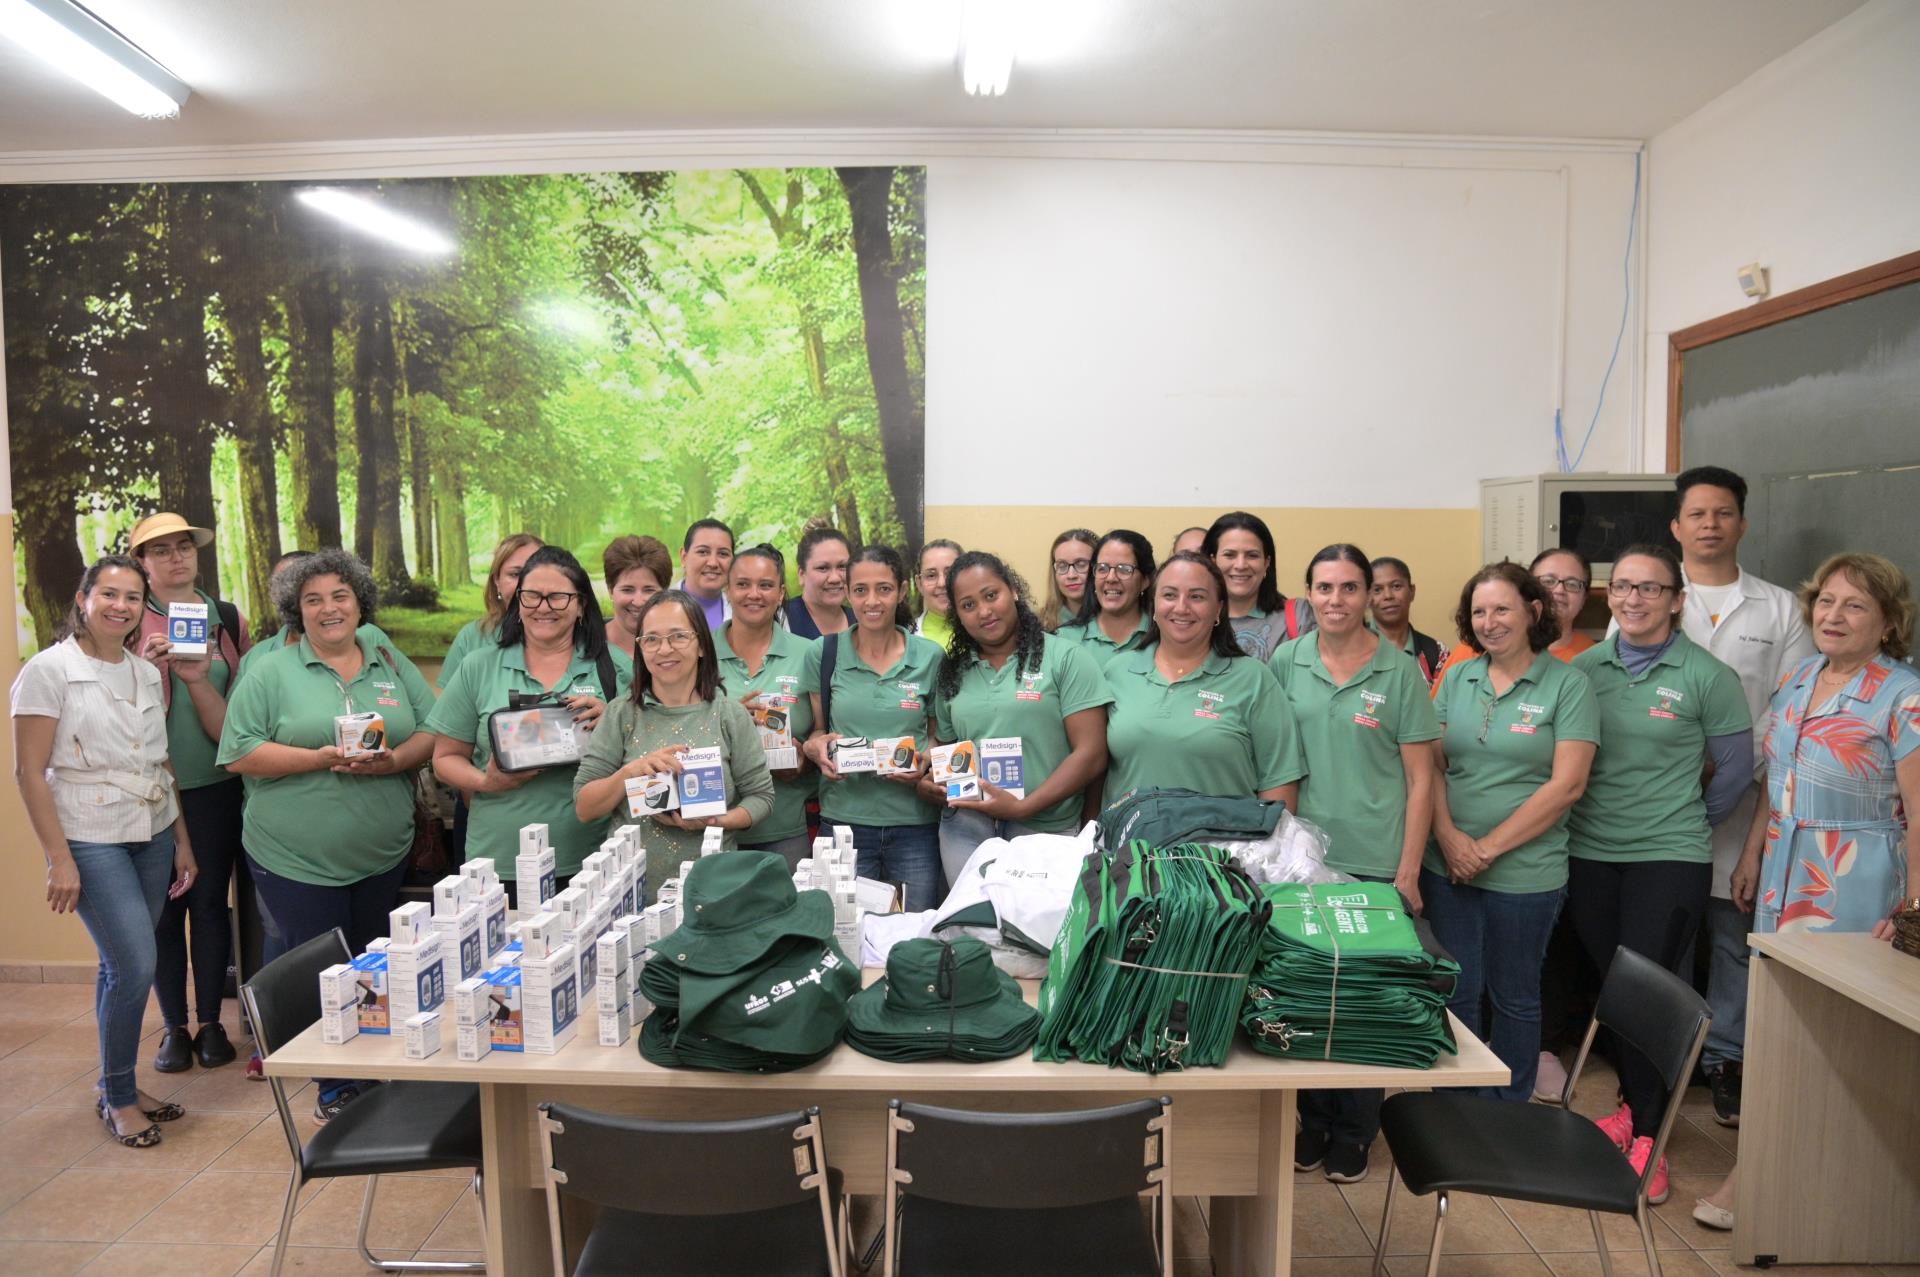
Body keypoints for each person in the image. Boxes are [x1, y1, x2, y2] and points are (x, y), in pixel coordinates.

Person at [1700, 554, 1920, 1233]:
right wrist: (1755, 850)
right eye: (1826, 601)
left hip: (1855, 878)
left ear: (1887, 620)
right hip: (1785, 871)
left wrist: (1914, 910)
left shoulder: (1904, 694)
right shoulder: (1800, 677)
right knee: (1780, 1025)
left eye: (1854, 605)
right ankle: (1779, 1167)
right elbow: (1778, 775)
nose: (1833, 615)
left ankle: (1772, 1177)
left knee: (1834, 1034)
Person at [216, 549, 436, 1123]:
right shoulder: (269, 670)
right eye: (312, 600)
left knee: (370, 964)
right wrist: (318, 758)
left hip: (381, 852)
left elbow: (434, 728)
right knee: (323, 969)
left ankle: (371, 1068)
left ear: (360, 602)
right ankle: (336, 1083)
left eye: (340, 595)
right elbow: (239, 752)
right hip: (294, 856)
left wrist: (393, 763)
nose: (328, 608)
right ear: (297, 611)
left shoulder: (386, 656)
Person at [1566, 543, 1752, 1203]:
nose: (1633, 599)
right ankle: (1631, 1105)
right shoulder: (1584, 668)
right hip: (1590, 852)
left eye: (1649, 588)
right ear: (1608, 595)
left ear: (1676, 599)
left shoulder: (1707, 675)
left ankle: (1651, 1133)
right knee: (1615, 988)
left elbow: (1734, 769)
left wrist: (1692, 819)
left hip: (1667, 857)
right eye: (1622, 587)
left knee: (1650, 990)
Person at [12, 555, 198, 1148]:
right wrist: (58, 858)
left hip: (150, 829)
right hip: (89, 837)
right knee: (135, 964)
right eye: (110, 594)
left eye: (134, 598)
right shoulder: (48, 671)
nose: (121, 606)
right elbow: (28, 772)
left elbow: (160, 762)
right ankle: (118, 1099)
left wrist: (182, 842)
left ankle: (116, 1082)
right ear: (83, 598)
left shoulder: (145, 672)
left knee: (121, 966)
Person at [1272, 545, 1440, 1185]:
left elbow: (1421, 780)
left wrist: (1408, 871)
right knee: (1310, 995)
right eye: (1324, 588)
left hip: (1374, 860)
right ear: (1307, 595)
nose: (1335, 600)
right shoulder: (1287, 659)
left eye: (1348, 588)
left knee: (1362, 1000)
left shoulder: (1400, 673)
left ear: (1369, 595)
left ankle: (1355, 1129)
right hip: (1302, 858)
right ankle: (1311, 1121)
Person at [1663, 465, 1813, 1129]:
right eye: (1697, 514)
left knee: (1732, 930)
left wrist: (1728, 763)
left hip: (1747, 795)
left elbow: (1790, 704)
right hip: (1660, 796)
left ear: (1742, 523)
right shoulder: (1654, 592)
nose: (1710, 524)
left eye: (1723, 513)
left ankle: (1725, 1057)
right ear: (1677, 526)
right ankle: (1664, 1052)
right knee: (1665, 930)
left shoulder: (1781, 608)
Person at [1425, 562, 1598, 1105]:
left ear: (1533, 611)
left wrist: (1485, 849)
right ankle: (1457, 1105)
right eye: (1479, 611)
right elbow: (1429, 765)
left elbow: (1567, 785)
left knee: (1516, 998)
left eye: (1502, 608)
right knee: (1458, 991)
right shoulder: (1457, 676)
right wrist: (1450, 838)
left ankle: (1506, 1111)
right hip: (1447, 864)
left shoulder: (1568, 684)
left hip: (1525, 872)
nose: (1489, 621)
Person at [430, 547, 631, 900]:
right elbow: (444, 759)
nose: (543, 607)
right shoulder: (479, 666)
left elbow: (647, 750)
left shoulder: (614, 667)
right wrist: (487, 782)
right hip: (498, 860)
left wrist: (614, 721)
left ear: (581, 604)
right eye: (532, 596)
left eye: (558, 597)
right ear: (517, 603)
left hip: (594, 856)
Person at [128, 512, 247, 1075]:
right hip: (149, 795)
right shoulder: (126, 622)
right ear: (143, 564)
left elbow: (246, 703)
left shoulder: (224, 617)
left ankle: (211, 1023)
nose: (176, 558)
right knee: (164, 911)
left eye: (184, 548)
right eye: (161, 551)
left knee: (209, 906)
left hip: (217, 788)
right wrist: (141, 672)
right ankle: (173, 1026)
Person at [924, 551, 1112, 886]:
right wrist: (931, 779)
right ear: (958, 616)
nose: (984, 611)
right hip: (966, 829)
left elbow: (1092, 754)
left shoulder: (1065, 658)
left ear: (1013, 590)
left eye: (991, 595)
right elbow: (946, 745)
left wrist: (1024, 808)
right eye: (968, 605)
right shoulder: (953, 672)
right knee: (974, 929)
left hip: (1044, 827)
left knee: (1034, 932)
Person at [574, 589, 775, 896]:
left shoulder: (729, 715)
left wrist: (716, 821)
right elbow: (584, 808)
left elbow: (761, 797)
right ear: (640, 649)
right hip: (629, 893)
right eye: (651, 639)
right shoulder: (620, 713)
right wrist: (631, 772)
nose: (664, 649)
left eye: (678, 636)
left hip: (713, 891)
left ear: (701, 646)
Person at [800, 546, 946, 910]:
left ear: (901, 591)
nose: (872, 601)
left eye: (883, 589)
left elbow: (939, 737)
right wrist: (814, 749)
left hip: (915, 825)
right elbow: (817, 732)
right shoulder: (824, 653)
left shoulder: (929, 657)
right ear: (848, 593)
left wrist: (925, 761)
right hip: (844, 823)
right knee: (847, 935)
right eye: (861, 590)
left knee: (911, 936)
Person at [1100, 551, 1304, 808]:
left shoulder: (1254, 679)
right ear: (1153, 605)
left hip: (1224, 846)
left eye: (1196, 597)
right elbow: (1095, 771)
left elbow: (1279, 781)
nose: (1181, 607)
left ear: (1218, 608)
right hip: (1131, 846)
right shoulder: (1116, 672)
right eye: (1169, 595)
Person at [715, 544, 817, 867]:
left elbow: (823, 730)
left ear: (781, 592)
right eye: (742, 584)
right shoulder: (698, 653)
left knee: (786, 914)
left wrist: (804, 758)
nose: (753, 594)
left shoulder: (809, 653)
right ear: (727, 591)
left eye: (766, 585)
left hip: (785, 825)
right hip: (713, 824)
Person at [1435, 548, 1594, 692]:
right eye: (1547, 581)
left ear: (1585, 597)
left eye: (1573, 584)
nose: (1559, 590)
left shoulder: (1591, 657)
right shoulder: (1471, 650)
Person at [1204, 511, 1314, 661]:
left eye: (1252, 555)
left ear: (1266, 563)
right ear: (1213, 560)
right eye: (1230, 555)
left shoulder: (1299, 615)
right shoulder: (1193, 618)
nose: (1241, 565)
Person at [439, 532, 543, 690]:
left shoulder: (577, 640)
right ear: (497, 581)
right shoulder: (471, 638)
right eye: (515, 574)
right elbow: (448, 712)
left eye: (535, 573)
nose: (525, 585)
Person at [1057, 529, 1155, 659]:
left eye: (1124, 569)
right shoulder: (1063, 639)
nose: (1111, 578)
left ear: (1145, 580)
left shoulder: (1163, 637)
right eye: (1102, 568)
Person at [1368, 556, 1446, 687]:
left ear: (1412, 591)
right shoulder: (1349, 648)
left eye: (1396, 586)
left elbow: (1442, 705)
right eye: (1377, 590)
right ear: (1366, 598)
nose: (1388, 596)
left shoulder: (1437, 653)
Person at [602, 534, 671, 659]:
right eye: (627, 590)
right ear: (610, 590)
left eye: (649, 590)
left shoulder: (680, 647)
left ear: (665, 592)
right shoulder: (584, 647)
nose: (638, 602)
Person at [784, 523, 854, 640]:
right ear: (802, 574)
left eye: (842, 566)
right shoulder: (780, 621)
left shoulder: (862, 622)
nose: (835, 578)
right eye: (823, 568)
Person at [676, 518, 734, 632]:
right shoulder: (657, 607)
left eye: (723, 554)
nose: (713, 563)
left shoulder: (741, 611)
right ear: (684, 557)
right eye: (703, 552)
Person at [1039, 529, 1096, 632]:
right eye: (1062, 566)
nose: (1071, 575)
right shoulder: (1040, 624)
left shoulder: (1112, 619)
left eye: (1081, 564)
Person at [913, 538, 963, 649]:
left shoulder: (986, 631)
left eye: (950, 573)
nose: (942, 583)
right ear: (919, 584)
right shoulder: (905, 639)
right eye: (931, 575)